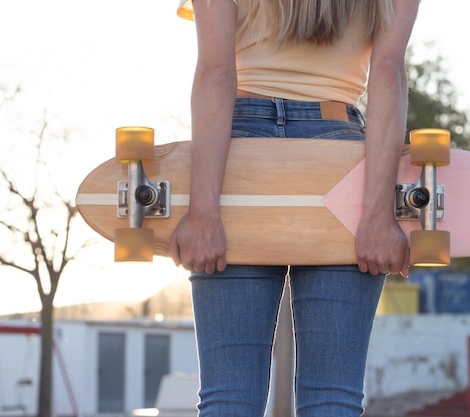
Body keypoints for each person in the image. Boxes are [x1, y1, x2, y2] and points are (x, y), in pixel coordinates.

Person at [169, 0, 420, 415]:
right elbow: (388, 72)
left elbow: (217, 73)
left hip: (236, 160)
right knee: (333, 397)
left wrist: (204, 211)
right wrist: (377, 213)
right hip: (341, 163)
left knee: (228, 397)